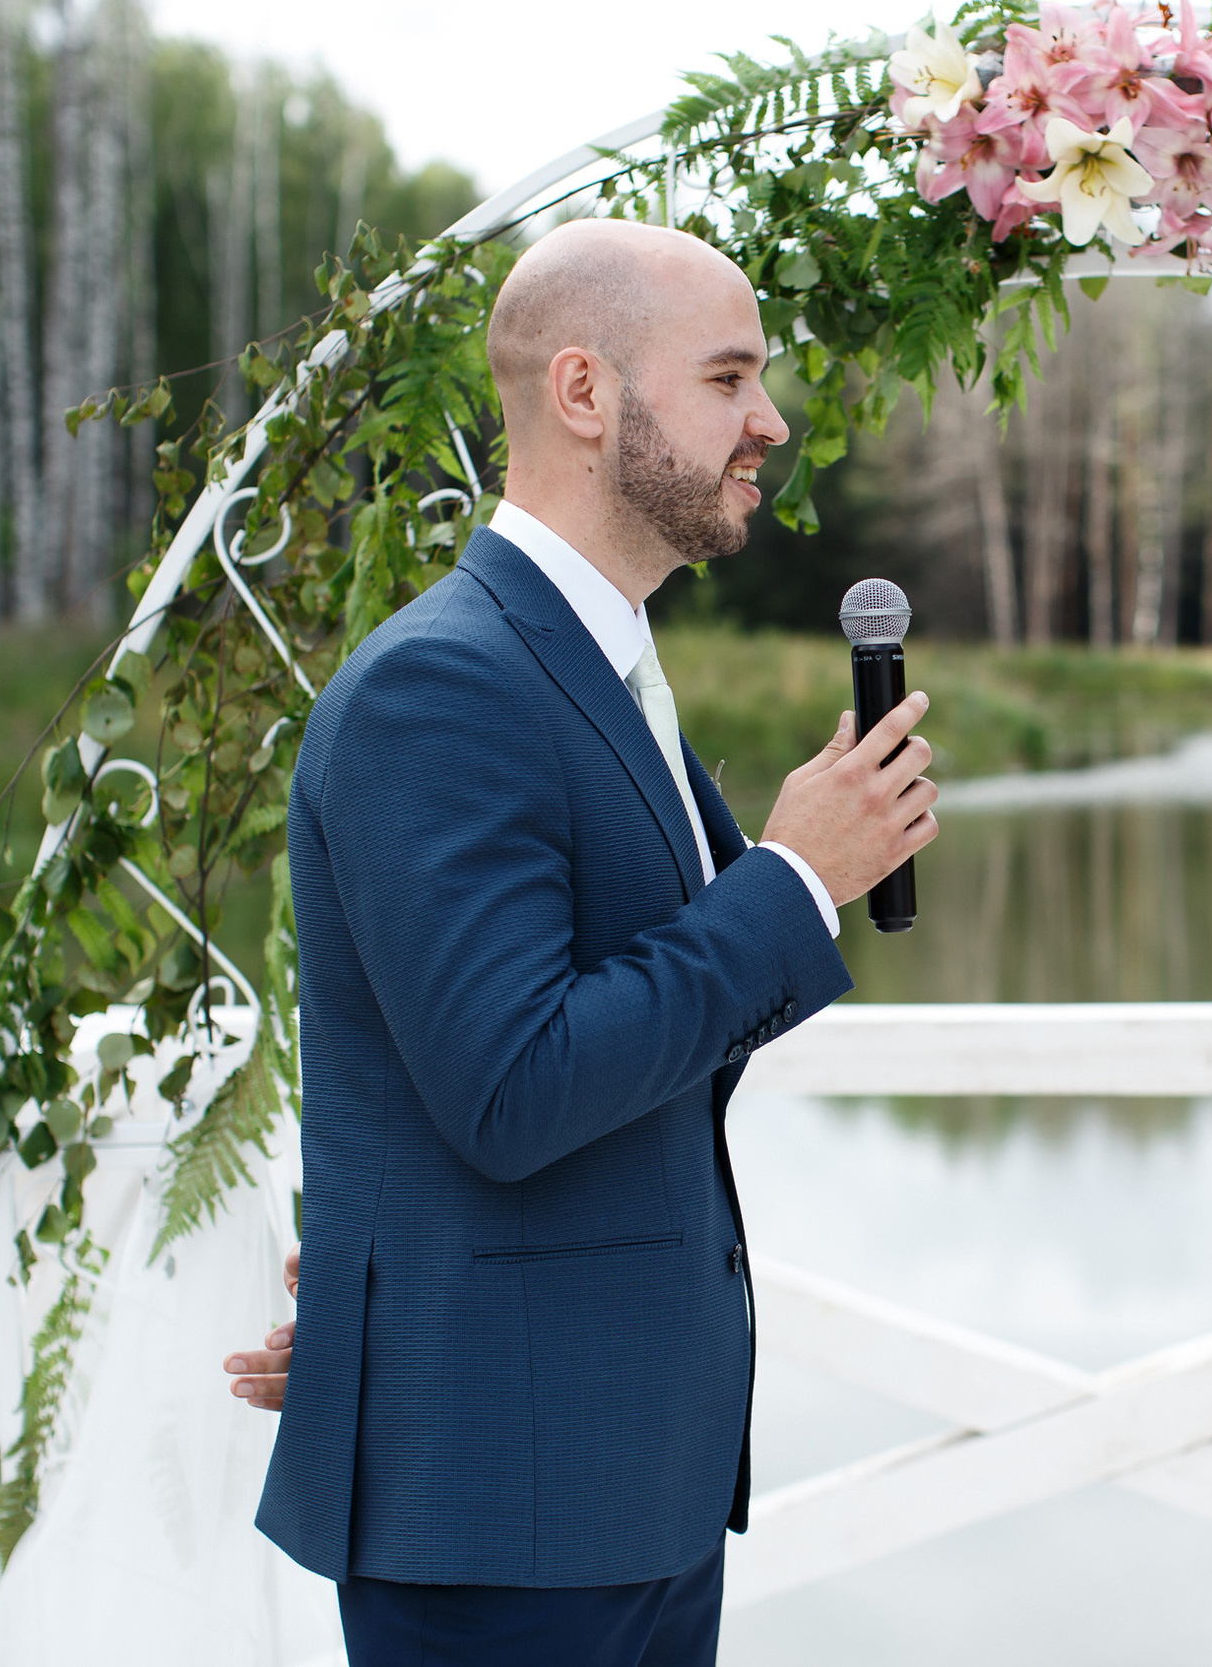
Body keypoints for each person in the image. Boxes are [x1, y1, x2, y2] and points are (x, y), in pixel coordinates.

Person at [217, 217, 939, 1667]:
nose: (770, 422)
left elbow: (635, 1028)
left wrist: (393, 1268)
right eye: (730, 378)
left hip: (620, 1479)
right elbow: (515, 1082)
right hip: (510, 1510)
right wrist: (795, 874)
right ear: (586, 391)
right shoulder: (445, 683)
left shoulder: (600, 657)